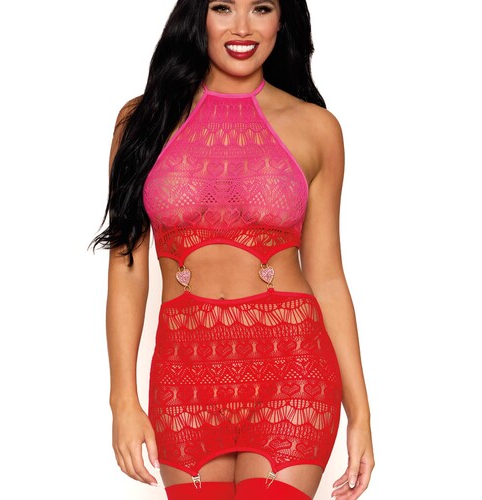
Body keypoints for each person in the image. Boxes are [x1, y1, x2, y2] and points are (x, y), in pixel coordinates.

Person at [92, 0, 374, 498]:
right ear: (197, 15)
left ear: (282, 20)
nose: (242, 27)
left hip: (292, 369)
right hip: (183, 376)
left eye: (261, 8)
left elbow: (327, 275)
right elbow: (127, 264)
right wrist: (123, 400)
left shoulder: (317, 128)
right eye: (223, 7)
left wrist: (361, 414)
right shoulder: (142, 121)